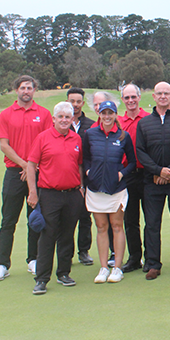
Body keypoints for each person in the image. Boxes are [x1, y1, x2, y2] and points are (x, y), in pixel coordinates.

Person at [0, 75, 52, 282]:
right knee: (8, 220)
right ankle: (2, 264)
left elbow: (46, 143)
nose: (26, 91)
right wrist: (26, 165)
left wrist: (33, 167)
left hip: (38, 174)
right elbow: (4, 145)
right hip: (14, 173)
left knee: (34, 218)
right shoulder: (6, 114)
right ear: (16, 89)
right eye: (23, 87)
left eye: (30, 87)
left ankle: (33, 259)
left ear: (34, 90)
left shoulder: (43, 114)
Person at [135, 81, 170, 280]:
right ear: (153, 96)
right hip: (152, 182)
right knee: (152, 223)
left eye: (166, 93)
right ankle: (153, 264)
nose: (162, 96)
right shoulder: (144, 123)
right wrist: (158, 171)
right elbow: (140, 152)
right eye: (159, 93)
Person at [27, 102, 83, 295]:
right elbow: (31, 165)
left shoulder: (76, 138)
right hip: (49, 194)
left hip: (73, 194)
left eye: (68, 117)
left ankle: (64, 273)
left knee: (67, 235)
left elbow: (80, 165)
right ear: (54, 119)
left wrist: (81, 186)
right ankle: (42, 278)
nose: (64, 120)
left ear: (72, 119)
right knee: (47, 236)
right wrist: (33, 192)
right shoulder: (43, 138)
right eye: (61, 117)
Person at [83, 100, 136, 284]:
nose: (106, 117)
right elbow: (85, 158)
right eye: (103, 113)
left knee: (116, 226)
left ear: (115, 115)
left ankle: (117, 268)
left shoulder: (123, 136)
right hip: (96, 189)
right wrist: (89, 172)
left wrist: (121, 174)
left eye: (110, 113)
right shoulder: (90, 134)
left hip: (116, 189)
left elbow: (132, 162)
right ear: (99, 114)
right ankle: (104, 267)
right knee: (101, 227)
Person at [116, 84, 150, 273]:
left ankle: (151, 257)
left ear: (139, 97)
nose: (130, 101)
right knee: (130, 220)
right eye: (126, 98)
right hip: (127, 176)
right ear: (122, 100)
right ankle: (135, 258)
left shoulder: (147, 119)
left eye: (133, 97)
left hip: (146, 174)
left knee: (150, 219)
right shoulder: (118, 122)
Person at [67, 87, 95, 266]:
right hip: (67, 179)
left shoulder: (91, 125)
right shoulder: (61, 123)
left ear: (82, 103)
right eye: (72, 101)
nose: (75, 105)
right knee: (67, 219)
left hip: (87, 177)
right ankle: (66, 253)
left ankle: (83, 251)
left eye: (78, 102)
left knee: (85, 217)